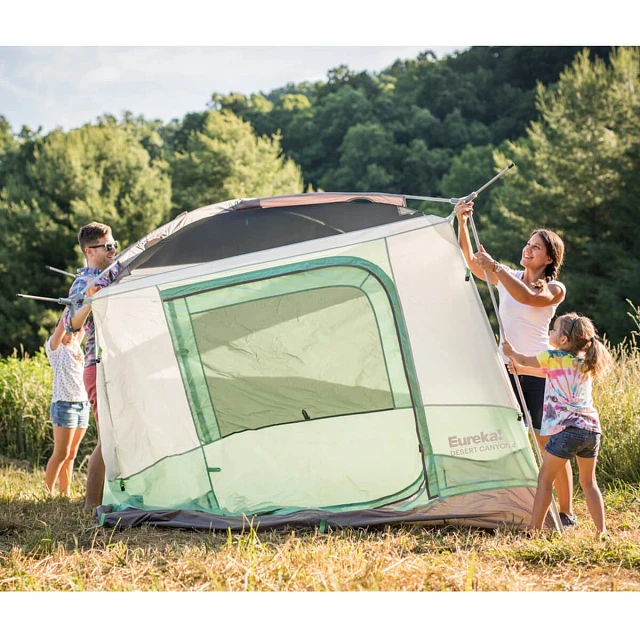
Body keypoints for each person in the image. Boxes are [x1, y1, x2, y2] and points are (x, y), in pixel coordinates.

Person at [454, 199, 577, 527]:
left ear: (549, 257)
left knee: (549, 445)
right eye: (527, 244)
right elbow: (468, 260)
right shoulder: (507, 277)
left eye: (536, 247)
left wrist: (496, 268)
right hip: (506, 368)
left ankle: (566, 513)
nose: (528, 249)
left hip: (538, 371)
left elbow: (528, 298)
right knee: (505, 433)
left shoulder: (554, 288)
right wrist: (462, 222)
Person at [502, 313, 613, 534]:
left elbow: (524, 359)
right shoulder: (585, 363)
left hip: (566, 432)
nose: (550, 333)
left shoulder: (553, 357)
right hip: (591, 429)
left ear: (563, 340)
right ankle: (602, 532)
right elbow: (543, 372)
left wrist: (511, 353)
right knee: (589, 483)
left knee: (544, 481)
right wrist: (522, 370)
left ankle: (534, 531)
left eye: (553, 329)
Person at [64, 221, 121, 513]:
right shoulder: (84, 281)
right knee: (107, 437)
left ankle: (112, 497)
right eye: (107, 246)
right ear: (90, 251)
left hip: (115, 363)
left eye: (114, 245)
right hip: (96, 366)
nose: (113, 250)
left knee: (119, 433)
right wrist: (92, 294)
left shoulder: (113, 274)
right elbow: (71, 323)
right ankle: (90, 505)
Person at [44, 312, 89, 496]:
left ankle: (65, 494)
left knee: (71, 454)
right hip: (65, 405)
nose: (71, 335)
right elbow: (64, 325)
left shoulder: (76, 345)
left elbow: (83, 323)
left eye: (73, 332)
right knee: (61, 453)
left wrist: (89, 302)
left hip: (82, 405)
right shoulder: (55, 348)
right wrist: (70, 306)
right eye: (68, 332)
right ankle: (48, 492)